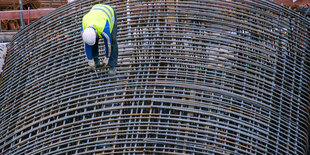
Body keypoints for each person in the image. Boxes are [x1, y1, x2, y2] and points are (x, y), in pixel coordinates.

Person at [81, 4, 118, 75]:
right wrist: (90, 60)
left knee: (113, 40)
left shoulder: (104, 29)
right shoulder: (84, 29)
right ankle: (95, 62)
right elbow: (87, 44)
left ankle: (112, 66)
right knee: (92, 41)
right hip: (95, 12)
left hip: (108, 12)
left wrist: (107, 57)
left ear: (96, 33)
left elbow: (108, 44)